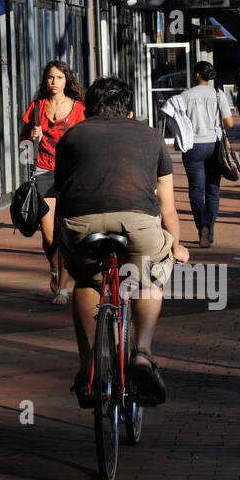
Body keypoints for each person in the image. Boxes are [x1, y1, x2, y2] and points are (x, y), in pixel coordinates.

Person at [55, 76, 189, 407]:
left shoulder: (71, 136)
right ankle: (142, 353)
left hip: (80, 223)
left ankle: (90, 370)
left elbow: (62, 192)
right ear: (129, 112)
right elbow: (168, 209)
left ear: (87, 110)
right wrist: (175, 245)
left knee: (86, 279)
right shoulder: (151, 136)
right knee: (150, 274)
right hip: (138, 223)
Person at [18, 60, 86, 304]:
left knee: (65, 233)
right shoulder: (37, 107)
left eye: (58, 77)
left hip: (70, 173)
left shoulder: (80, 108)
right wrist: (30, 137)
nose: (54, 82)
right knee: (48, 237)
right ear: (45, 81)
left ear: (67, 80)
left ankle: (63, 289)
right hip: (44, 171)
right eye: (50, 77)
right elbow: (22, 142)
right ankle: (54, 267)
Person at [165, 62, 234, 248]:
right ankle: (209, 231)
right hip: (214, 145)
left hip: (193, 146)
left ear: (196, 75)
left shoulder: (186, 95)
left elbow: (171, 112)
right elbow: (229, 123)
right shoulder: (218, 94)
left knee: (196, 190)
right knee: (213, 189)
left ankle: (202, 224)